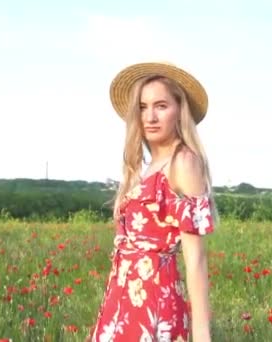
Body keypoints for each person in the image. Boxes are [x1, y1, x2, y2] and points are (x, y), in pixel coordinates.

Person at [89, 62, 218, 342]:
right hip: (122, 297)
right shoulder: (148, 167)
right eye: (143, 107)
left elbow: (195, 256)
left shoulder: (183, 162)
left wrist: (202, 334)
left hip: (156, 300)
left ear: (179, 111)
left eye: (161, 106)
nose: (150, 117)